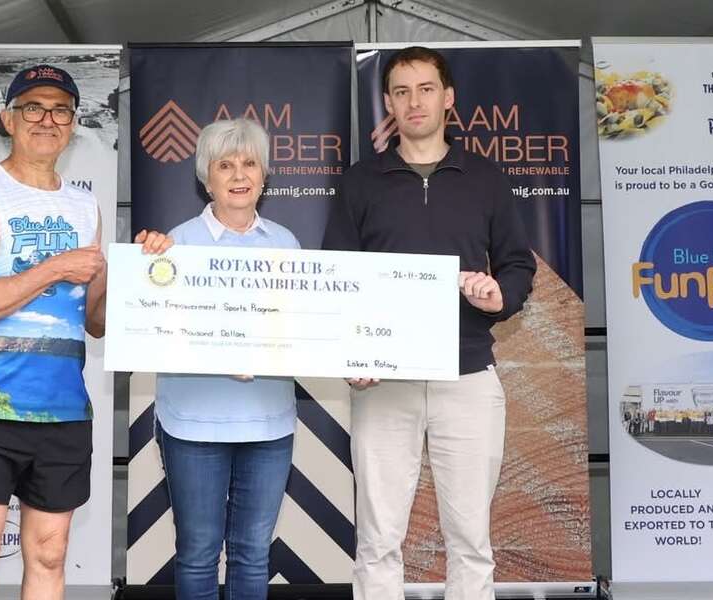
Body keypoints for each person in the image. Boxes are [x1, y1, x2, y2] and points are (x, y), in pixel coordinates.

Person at [0, 64, 170, 600]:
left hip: (63, 409)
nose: (47, 119)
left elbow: (95, 319)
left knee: (49, 553)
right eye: (33, 107)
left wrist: (148, 278)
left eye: (60, 109)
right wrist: (55, 267)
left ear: (73, 123)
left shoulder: (85, 204)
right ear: (8, 119)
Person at [323, 47, 536, 600]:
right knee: (376, 540)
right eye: (400, 91)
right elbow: (337, 277)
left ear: (448, 98)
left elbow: (516, 263)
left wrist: (498, 297)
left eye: (424, 89)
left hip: (466, 376)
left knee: (469, 541)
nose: (413, 101)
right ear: (388, 102)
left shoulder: (485, 179)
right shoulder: (360, 182)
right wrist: (353, 354)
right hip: (383, 381)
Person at [139, 118, 299, 600]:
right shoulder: (174, 243)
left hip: (269, 425)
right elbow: (156, 329)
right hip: (193, 424)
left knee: (253, 555)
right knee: (198, 553)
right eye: (224, 165)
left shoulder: (286, 244)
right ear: (205, 179)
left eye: (249, 163)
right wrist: (146, 266)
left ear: (264, 174)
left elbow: (299, 329)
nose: (238, 174)